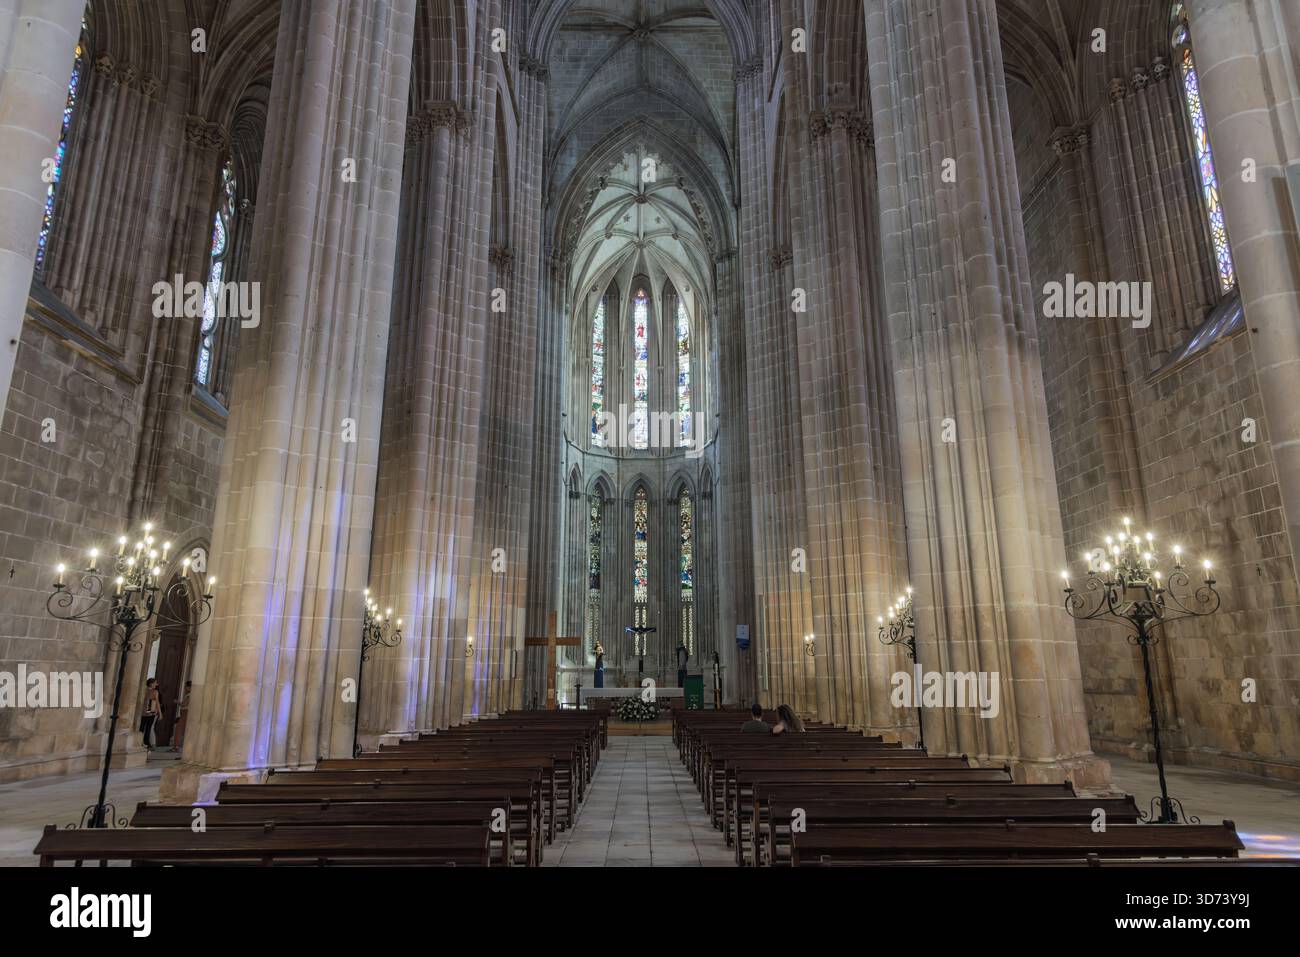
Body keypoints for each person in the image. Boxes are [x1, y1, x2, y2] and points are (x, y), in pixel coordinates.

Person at [140, 678, 162, 751]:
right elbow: (157, 703)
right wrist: (160, 713)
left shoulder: (143, 690)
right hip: (151, 711)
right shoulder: (154, 692)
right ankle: (146, 743)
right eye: (155, 683)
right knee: (148, 728)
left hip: (143, 711)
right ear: (151, 684)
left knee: (142, 727)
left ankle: (140, 742)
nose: (156, 684)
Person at [170, 680, 192, 752]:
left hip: (185, 713)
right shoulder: (188, 694)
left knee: (178, 729)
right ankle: (177, 746)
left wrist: (177, 702)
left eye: (186, 687)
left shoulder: (189, 695)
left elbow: (184, 704)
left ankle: (176, 747)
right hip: (184, 713)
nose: (185, 688)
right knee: (180, 729)